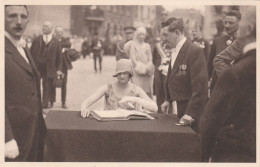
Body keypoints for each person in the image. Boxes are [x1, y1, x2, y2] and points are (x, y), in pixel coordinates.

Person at [199, 8, 256, 162]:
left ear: (248, 29)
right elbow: (217, 60)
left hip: (239, 153)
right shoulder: (222, 42)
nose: (228, 26)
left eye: (239, 21)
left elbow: (209, 123)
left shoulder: (235, 74)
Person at [5, 5, 46, 161]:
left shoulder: (20, 45)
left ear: (28, 20)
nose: (19, 21)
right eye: (12, 16)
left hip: (31, 130)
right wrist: (6, 138)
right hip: (13, 137)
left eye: (23, 17)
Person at [160, 17, 208, 132]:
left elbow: (200, 88)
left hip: (191, 111)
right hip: (180, 107)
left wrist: (190, 113)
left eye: (166, 35)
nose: (163, 39)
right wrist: (168, 99)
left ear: (177, 33)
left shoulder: (194, 51)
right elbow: (173, 76)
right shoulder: (176, 49)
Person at [81, 59, 158, 117]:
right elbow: (87, 101)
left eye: (125, 73)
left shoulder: (136, 90)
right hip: (110, 126)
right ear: (116, 74)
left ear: (129, 75)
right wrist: (84, 107)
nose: (122, 76)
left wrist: (135, 99)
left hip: (129, 128)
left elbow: (154, 108)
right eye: (119, 73)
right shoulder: (107, 88)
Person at [30, 21, 63, 108]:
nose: (43, 28)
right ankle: (36, 103)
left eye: (46, 26)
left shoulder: (56, 41)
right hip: (37, 67)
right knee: (35, 85)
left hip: (49, 68)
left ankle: (44, 104)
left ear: (51, 29)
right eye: (43, 26)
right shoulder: (37, 39)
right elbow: (30, 53)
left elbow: (60, 57)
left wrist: (59, 69)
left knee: (47, 86)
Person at [208, 10, 241, 93]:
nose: (227, 25)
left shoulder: (243, 42)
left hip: (237, 87)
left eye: (231, 23)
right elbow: (210, 65)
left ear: (239, 23)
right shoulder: (217, 41)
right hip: (218, 87)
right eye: (225, 22)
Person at [54, 26, 80, 108]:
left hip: (64, 65)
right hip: (53, 65)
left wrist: (59, 47)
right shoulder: (52, 40)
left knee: (64, 83)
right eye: (58, 32)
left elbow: (69, 44)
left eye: (61, 32)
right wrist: (61, 48)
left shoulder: (65, 40)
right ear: (55, 32)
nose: (59, 33)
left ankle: (63, 102)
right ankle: (51, 100)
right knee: (52, 82)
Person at [128, 27, 155, 98]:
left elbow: (150, 59)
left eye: (143, 34)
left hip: (147, 74)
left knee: (147, 94)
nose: (141, 36)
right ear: (136, 35)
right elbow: (133, 59)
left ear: (145, 35)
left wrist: (148, 68)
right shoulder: (133, 45)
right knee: (138, 92)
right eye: (139, 34)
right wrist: (142, 69)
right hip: (137, 73)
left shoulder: (147, 46)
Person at [152, 20, 173, 113]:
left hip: (170, 75)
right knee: (159, 96)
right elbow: (154, 59)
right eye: (162, 34)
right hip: (159, 74)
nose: (163, 36)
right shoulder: (158, 46)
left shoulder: (174, 46)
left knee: (169, 97)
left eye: (165, 34)